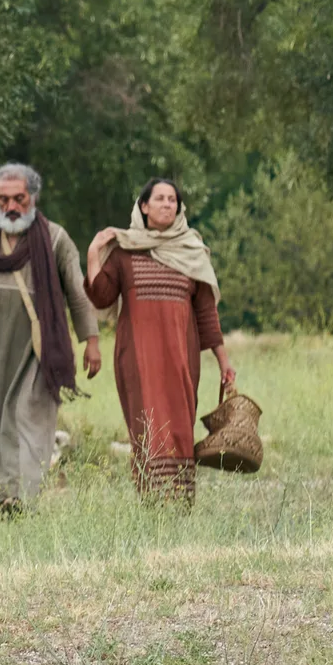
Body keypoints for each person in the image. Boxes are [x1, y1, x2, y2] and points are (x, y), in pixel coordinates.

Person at [0, 162, 98, 512]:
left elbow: (78, 294)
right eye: (4, 199)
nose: (11, 207)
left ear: (32, 197)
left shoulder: (56, 238)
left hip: (38, 351)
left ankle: (24, 497)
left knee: (28, 417)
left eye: (19, 198)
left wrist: (90, 340)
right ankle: (3, 498)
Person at [87, 176, 232, 504]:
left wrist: (224, 362)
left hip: (181, 357)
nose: (168, 204)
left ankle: (180, 502)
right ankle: (152, 502)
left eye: (173, 200)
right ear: (144, 206)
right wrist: (94, 253)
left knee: (180, 426)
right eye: (160, 199)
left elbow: (207, 314)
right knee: (146, 427)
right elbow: (101, 295)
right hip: (137, 360)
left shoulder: (192, 250)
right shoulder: (124, 251)